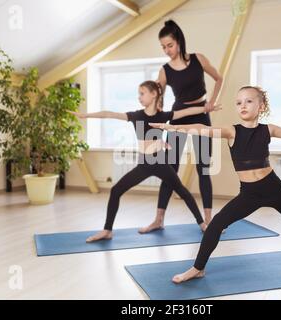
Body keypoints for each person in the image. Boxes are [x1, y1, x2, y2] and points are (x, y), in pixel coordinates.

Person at [149, 85, 281, 283]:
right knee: (215, 224)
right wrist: (173, 128)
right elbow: (203, 129)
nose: (243, 105)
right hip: (249, 193)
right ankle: (197, 268)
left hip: (273, 188)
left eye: (249, 101)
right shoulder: (232, 132)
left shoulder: (268, 130)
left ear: (261, 106)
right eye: (239, 102)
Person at [68, 80, 221, 243]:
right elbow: (109, 113)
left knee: (182, 192)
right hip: (144, 165)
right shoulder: (136, 116)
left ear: (153, 94)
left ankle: (202, 224)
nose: (139, 97)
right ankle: (107, 230)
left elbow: (186, 112)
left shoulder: (163, 115)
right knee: (116, 190)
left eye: (142, 93)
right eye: (138, 94)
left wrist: (206, 107)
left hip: (161, 163)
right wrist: (86, 115)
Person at [139, 20, 224, 234]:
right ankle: (158, 219)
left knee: (203, 168)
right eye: (163, 47)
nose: (167, 50)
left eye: (169, 45)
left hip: (201, 117)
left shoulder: (198, 59)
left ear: (179, 42)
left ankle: (208, 221)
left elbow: (218, 78)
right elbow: (159, 98)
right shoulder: (165, 71)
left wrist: (211, 103)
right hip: (178, 118)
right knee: (170, 171)